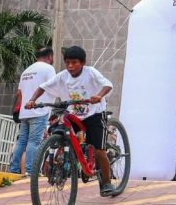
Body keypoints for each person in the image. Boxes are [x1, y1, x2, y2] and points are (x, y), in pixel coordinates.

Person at [25, 46, 116, 196]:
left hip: (94, 113)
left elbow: (107, 85)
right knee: (58, 130)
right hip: (74, 114)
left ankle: (106, 183)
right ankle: (63, 163)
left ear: (83, 62)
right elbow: (43, 87)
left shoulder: (90, 72)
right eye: (67, 62)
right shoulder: (63, 76)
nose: (70, 66)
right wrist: (32, 100)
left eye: (74, 62)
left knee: (99, 150)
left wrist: (99, 96)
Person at [9, 47, 54, 176]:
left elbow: (19, 93)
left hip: (25, 111)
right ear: (50, 56)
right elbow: (52, 86)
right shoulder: (48, 68)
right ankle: (30, 170)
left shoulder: (26, 71)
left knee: (22, 141)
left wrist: (23, 106)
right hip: (39, 110)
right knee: (34, 141)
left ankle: (13, 170)